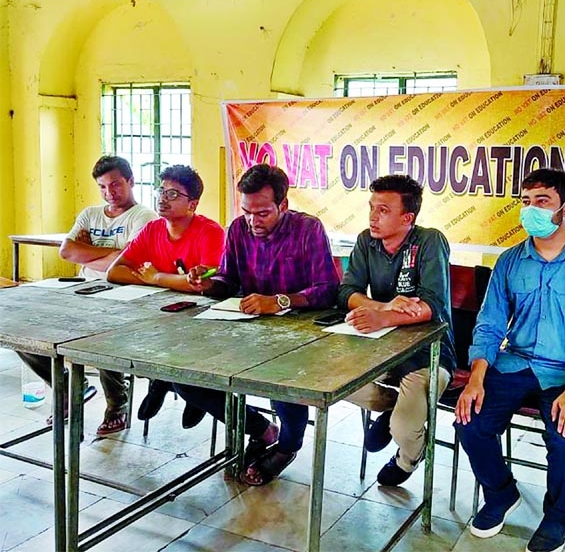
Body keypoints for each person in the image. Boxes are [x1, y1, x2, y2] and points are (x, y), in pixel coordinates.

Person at [455, 168, 565, 552]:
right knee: (470, 420)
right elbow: (490, 324)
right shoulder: (511, 262)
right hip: (515, 363)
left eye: (542, 201)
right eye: (526, 202)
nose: (531, 210)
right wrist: (477, 377)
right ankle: (500, 493)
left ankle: (558, 516)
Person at [187, 163, 339, 486]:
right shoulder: (238, 230)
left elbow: (328, 290)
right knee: (183, 376)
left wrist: (281, 300)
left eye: (263, 213)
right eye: (247, 212)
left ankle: (287, 446)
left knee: (282, 373)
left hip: (299, 333)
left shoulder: (308, 230)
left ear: (283, 206)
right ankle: (259, 428)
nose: (253, 221)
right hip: (246, 328)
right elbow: (227, 281)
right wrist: (207, 284)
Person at [16, 155, 157, 435]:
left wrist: (91, 255)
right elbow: (67, 251)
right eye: (102, 187)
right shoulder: (90, 215)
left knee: (104, 335)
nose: (109, 193)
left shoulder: (143, 217)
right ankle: (71, 389)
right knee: (23, 330)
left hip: (125, 294)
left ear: (130, 181)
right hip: (82, 289)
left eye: (115, 185)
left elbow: (126, 262)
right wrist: (110, 256)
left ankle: (117, 403)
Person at [338, 174, 456, 486]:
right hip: (380, 347)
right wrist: (383, 310)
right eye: (372, 208)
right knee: (336, 382)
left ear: (407, 218)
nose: (373, 217)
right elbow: (346, 291)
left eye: (383, 210)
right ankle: (392, 411)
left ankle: (407, 460)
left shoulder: (430, 241)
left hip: (429, 353)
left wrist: (385, 317)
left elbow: (432, 305)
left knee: (406, 429)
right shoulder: (367, 241)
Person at [107, 164, 225, 429]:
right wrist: (172, 280)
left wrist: (156, 278)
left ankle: (178, 386)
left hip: (202, 323)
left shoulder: (210, 231)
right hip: (162, 316)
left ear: (192, 203)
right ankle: (163, 380)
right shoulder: (152, 229)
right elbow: (114, 273)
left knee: (181, 342)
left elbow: (202, 285)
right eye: (161, 191)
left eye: (173, 194)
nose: (162, 199)